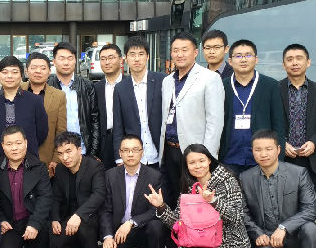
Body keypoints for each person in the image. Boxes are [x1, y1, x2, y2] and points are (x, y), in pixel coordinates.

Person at [146, 143, 251, 248]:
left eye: (201, 160)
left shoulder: (227, 180)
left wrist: (213, 201)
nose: (197, 166)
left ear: (209, 160)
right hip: (203, 240)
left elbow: (236, 217)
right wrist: (161, 206)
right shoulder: (189, 186)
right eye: (192, 162)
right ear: (186, 166)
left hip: (229, 242)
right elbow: (178, 223)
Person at [240, 130, 316, 248]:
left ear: (278, 150)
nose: (263, 154)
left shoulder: (298, 173)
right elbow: (243, 212)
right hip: (266, 236)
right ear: (252, 151)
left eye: (268, 149)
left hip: (294, 235)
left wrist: (284, 228)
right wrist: (257, 233)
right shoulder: (245, 178)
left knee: (311, 229)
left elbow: (311, 210)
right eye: (258, 150)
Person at [158, 32, 225, 209]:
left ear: (195, 52)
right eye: (175, 50)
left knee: (195, 202)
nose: (179, 54)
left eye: (184, 50)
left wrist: (207, 157)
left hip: (195, 153)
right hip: (169, 150)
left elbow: (215, 122)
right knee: (171, 198)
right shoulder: (167, 81)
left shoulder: (210, 78)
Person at [99, 135, 166, 248]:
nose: (130, 154)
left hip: (142, 227)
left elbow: (154, 211)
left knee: (157, 226)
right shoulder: (110, 175)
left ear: (142, 152)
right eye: (126, 150)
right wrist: (108, 236)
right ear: (120, 153)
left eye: (135, 150)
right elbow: (105, 209)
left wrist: (131, 222)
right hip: (120, 231)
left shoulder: (154, 176)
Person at [0, 126, 52, 248]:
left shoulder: (39, 167)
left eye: (18, 143)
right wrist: (1, 219)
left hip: (31, 218)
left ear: (26, 143)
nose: (14, 148)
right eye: (9, 144)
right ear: (3, 146)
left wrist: (35, 223)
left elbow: (45, 197)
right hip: (10, 222)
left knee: (41, 227)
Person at [218, 39, 286, 176]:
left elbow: (278, 124)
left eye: (248, 55)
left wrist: (279, 159)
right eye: (238, 56)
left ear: (256, 59)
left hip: (262, 159)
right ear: (230, 61)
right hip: (229, 158)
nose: (243, 59)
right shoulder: (221, 86)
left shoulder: (270, 85)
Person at [51, 132, 107, 248]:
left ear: (79, 149)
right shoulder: (60, 169)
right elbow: (55, 197)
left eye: (68, 151)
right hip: (69, 215)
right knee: (55, 242)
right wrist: (55, 218)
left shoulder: (95, 166)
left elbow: (99, 194)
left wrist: (78, 215)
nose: (65, 157)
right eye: (60, 153)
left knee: (83, 224)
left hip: (92, 215)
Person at [0, 55, 48, 165]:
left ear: (21, 75)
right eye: (4, 72)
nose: (9, 76)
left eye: (14, 72)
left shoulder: (34, 101)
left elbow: (41, 132)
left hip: (28, 159)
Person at [279, 44, 316, 189]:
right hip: (282, 158)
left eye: (299, 58)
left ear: (308, 62)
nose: (294, 63)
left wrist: (314, 143)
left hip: (310, 158)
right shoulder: (274, 90)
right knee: (281, 201)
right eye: (289, 59)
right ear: (284, 65)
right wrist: (281, 143)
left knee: (309, 201)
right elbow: (268, 122)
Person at [113, 37, 164, 169]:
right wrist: (119, 157)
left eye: (141, 54)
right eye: (132, 54)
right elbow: (118, 126)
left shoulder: (162, 81)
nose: (137, 59)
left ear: (147, 57)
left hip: (160, 155)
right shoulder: (120, 88)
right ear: (125, 58)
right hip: (133, 157)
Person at [48, 42, 99, 158]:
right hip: (56, 154)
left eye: (70, 58)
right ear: (54, 61)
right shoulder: (47, 86)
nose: (66, 62)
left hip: (83, 151)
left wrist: (93, 152)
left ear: (75, 60)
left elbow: (95, 120)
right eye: (62, 58)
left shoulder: (87, 86)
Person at [21, 52, 66, 176]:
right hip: (17, 158)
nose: (38, 71)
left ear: (49, 71)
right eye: (34, 67)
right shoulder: (16, 89)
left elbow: (61, 131)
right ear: (26, 71)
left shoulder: (59, 96)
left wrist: (56, 159)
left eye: (43, 68)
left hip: (46, 160)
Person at [93, 43, 124, 170]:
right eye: (103, 59)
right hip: (104, 142)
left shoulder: (130, 84)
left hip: (126, 141)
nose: (107, 62)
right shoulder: (96, 88)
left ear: (121, 60)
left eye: (111, 58)